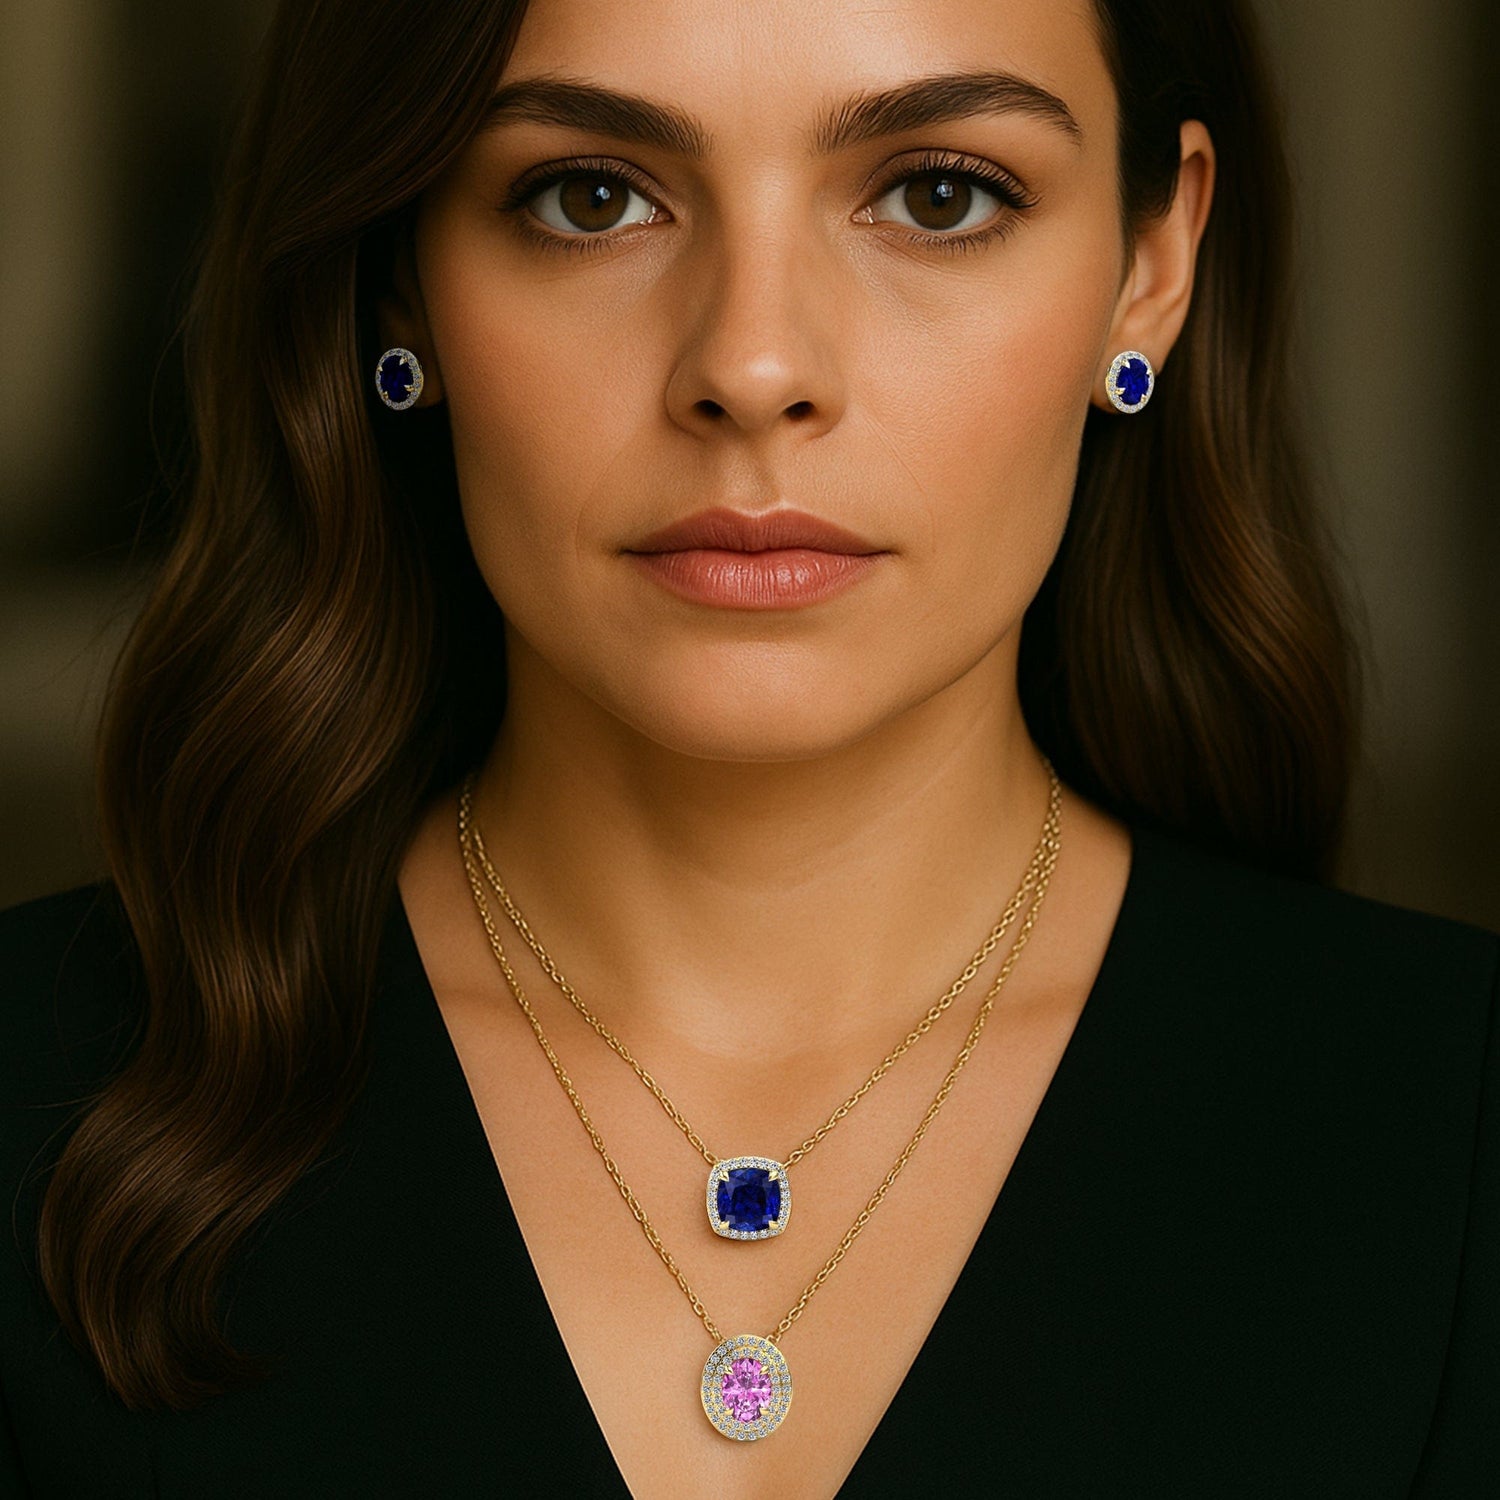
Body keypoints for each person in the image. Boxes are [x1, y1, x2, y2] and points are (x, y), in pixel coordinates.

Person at [1, 0, 1495, 1494]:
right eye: (591, 198)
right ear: (401, 282)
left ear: (1150, 266)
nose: (755, 365)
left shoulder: (1454, 1122)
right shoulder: (31, 1092)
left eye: (939, 196)